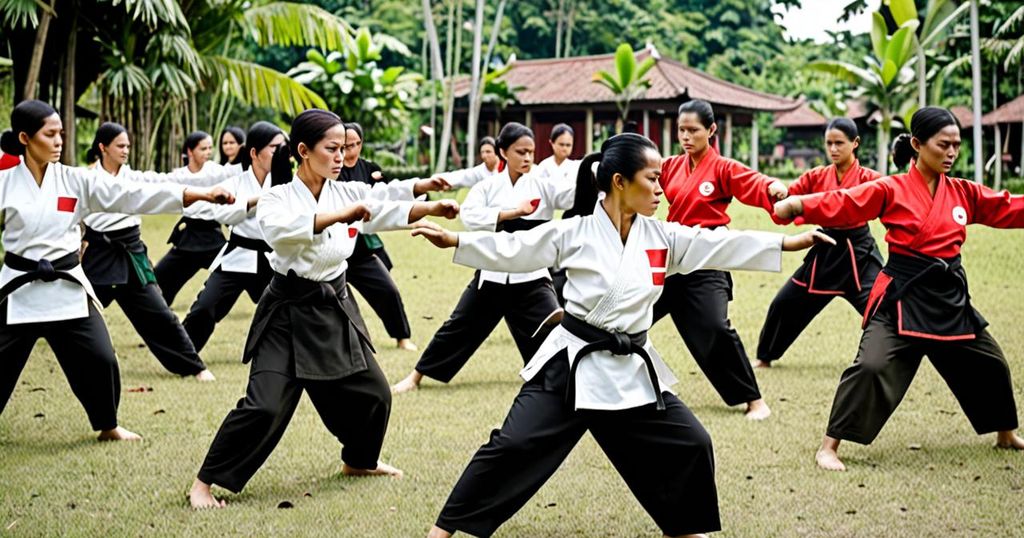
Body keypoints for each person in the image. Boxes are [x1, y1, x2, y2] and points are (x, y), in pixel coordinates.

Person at [411, 133, 830, 538]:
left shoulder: (662, 236)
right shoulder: (574, 232)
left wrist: (788, 243)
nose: (661, 189)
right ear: (619, 182)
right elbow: (517, 250)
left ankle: (682, 528)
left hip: (630, 369)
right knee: (513, 447)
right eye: (652, 178)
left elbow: (718, 244)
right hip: (571, 367)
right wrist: (454, 239)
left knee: (692, 442)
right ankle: (442, 530)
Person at [188, 109, 460, 509]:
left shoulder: (347, 192)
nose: (340, 156)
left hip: (334, 305)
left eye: (345, 148)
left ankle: (359, 461)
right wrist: (343, 216)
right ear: (303, 151)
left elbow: (383, 206)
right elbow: (285, 232)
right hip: (286, 311)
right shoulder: (277, 197)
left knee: (376, 395)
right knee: (264, 405)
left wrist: (432, 207)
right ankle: (204, 484)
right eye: (331, 149)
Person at [773, 106, 1024, 472]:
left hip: (948, 297)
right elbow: (845, 202)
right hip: (902, 296)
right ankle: (829, 447)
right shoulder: (891, 188)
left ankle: (1005, 433)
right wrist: (798, 203)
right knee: (871, 366)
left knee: (990, 362)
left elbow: (1005, 206)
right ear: (918, 145)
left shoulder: (963, 192)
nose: (952, 153)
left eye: (956, 145)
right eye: (944, 145)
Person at [0, 100, 233, 441]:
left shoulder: (75, 180)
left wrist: (199, 194)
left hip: (66, 287)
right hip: (19, 288)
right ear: (24, 138)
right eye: (49, 134)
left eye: (61, 134)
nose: (59, 141)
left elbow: (134, 194)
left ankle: (108, 426)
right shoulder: (5, 182)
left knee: (101, 359)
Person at [390, 122, 572, 394]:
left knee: (553, 333)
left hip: (532, 276)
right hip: (492, 274)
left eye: (530, 152)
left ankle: (571, 382)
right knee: (458, 327)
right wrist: (510, 214)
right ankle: (415, 378)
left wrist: (600, 175)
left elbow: (571, 195)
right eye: (520, 151)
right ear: (503, 152)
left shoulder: (544, 185)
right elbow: (469, 217)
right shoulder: (488, 186)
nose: (526, 158)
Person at [652, 99, 788, 420]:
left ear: (711, 130)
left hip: (709, 256)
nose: (686, 137)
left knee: (714, 328)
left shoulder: (723, 168)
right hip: (671, 256)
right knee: (627, 317)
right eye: (681, 130)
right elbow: (640, 175)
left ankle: (754, 400)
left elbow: (752, 182)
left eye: (693, 130)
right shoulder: (670, 165)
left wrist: (773, 187)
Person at [82, 122, 225, 381]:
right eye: (120, 146)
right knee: (73, 309)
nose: (126, 150)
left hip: (130, 252)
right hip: (100, 253)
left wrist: (204, 192)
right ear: (103, 147)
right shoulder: (85, 179)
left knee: (160, 314)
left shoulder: (134, 177)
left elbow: (166, 183)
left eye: (128, 145)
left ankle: (194, 366)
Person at [754, 118, 883, 367]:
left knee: (884, 308)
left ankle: (900, 356)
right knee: (784, 303)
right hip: (825, 248)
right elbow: (788, 200)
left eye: (839, 143)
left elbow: (894, 206)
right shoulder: (816, 176)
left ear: (855, 143)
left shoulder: (871, 178)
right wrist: (779, 195)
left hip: (860, 254)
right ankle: (765, 357)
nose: (833, 149)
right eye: (829, 143)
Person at [337, 122, 449, 351]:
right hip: (333, 248)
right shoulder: (331, 172)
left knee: (387, 291)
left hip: (361, 248)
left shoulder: (370, 169)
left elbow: (387, 199)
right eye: (346, 146)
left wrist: (420, 198)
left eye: (357, 144)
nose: (352, 150)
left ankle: (402, 337)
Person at [180, 121, 285, 352]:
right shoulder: (235, 183)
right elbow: (223, 214)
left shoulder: (287, 183)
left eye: (283, 148)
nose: (281, 153)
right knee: (204, 308)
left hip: (274, 259)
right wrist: (255, 201)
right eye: (275, 148)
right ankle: (185, 355)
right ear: (255, 152)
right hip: (238, 256)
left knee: (290, 313)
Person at [153, 131, 228, 306]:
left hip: (213, 237)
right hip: (188, 238)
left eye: (210, 148)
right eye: (203, 148)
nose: (208, 152)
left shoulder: (218, 172)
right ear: (190, 151)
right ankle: (162, 311)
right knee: (160, 278)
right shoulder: (178, 175)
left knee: (242, 272)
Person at [435, 137, 502, 190]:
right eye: (482, 152)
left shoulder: (506, 167)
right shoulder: (480, 172)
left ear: (496, 153)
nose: (484, 156)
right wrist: (438, 178)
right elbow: (462, 176)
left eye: (488, 152)